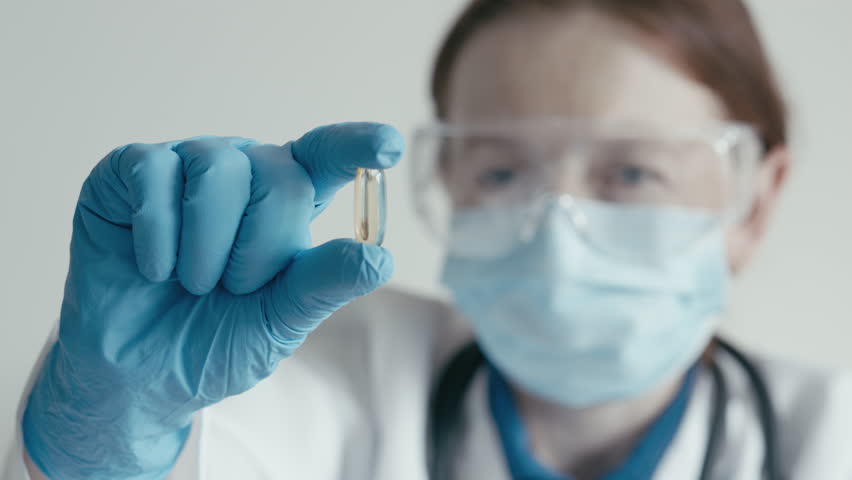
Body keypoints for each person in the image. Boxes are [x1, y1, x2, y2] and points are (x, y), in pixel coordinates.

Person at [4, 0, 852, 479]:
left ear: (754, 203)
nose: (555, 231)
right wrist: (106, 439)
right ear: (443, 181)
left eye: (632, 175)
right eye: (499, 172)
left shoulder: (833, 440)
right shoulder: (330, 375)